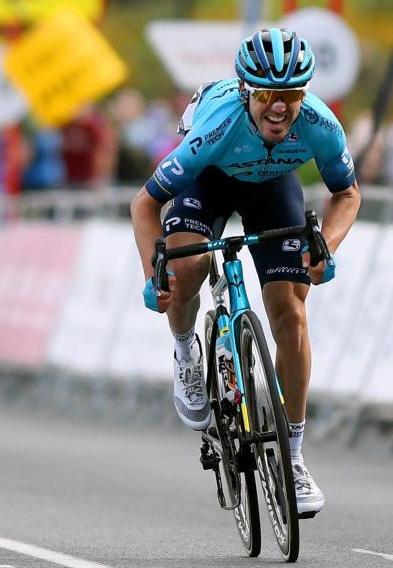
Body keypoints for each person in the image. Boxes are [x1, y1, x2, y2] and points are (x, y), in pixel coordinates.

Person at [131, 29, 359, 516]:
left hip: (273, 186)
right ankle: (185, 351)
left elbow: (347, 194)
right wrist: (154, 272)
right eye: (268, 95)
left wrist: (327, 246)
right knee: (188, 267)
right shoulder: (216, 125)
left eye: (292, 95)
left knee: (292, 315)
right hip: (208, 179)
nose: (280, 107)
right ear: (247, 92)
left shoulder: (320, 123)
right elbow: (143, 204)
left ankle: (293, 459)